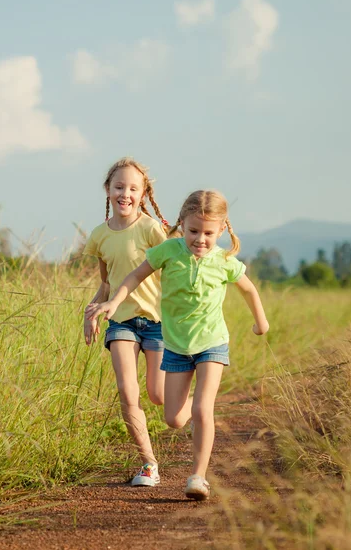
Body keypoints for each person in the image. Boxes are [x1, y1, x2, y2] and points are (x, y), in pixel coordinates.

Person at [86, 190, 269, 500]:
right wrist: (115, 301)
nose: (200, 239)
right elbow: (134, 276)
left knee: (201, 409)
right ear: (182, 224)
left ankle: (198, 477)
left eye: (209, 233)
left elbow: (249, 290)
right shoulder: (168, 251)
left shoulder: (224, 260)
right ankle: (200, 406)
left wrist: (260, 322)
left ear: (221, 230)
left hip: (212, 343)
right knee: (172, 418)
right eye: (194, 231)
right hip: (175, 346)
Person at [83, 157, 169, 487]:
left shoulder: (150, 229)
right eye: (119, 187)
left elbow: (170, 269)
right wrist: (91, 312)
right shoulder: (99, 235)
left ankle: (195, 407)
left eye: (133, 188)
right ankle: (149, 464)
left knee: (158, 395)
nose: (125, 194)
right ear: (108, 189)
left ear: (143, 192)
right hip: (121, 321)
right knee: (126, 391)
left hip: (156, 320)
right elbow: (106, 284)